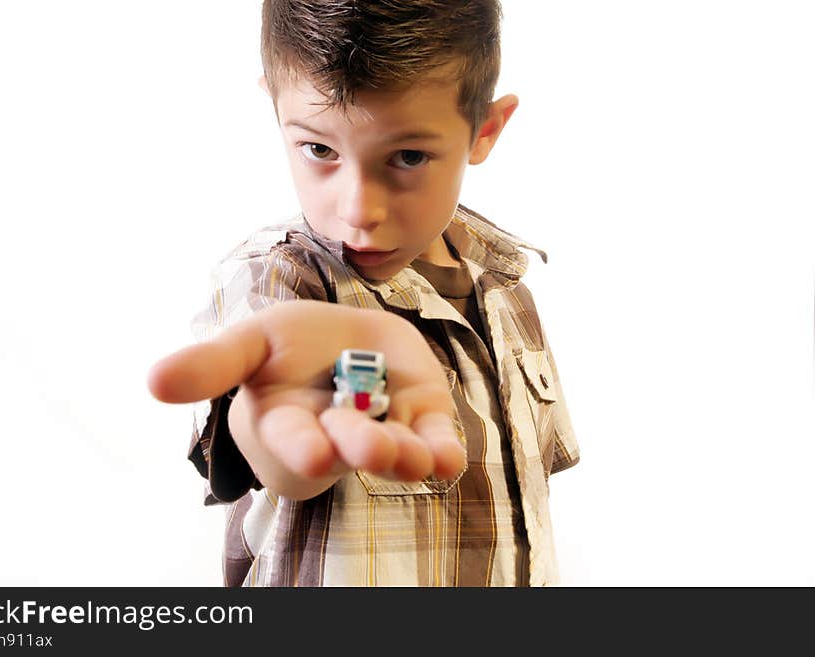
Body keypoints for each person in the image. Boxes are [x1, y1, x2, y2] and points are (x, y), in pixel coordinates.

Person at [148, 0, 580, 587]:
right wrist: (277, 417)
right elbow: (277, 454)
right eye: (319, 150)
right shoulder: (280, 283)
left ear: (485, 131)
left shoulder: (507, 288)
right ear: (277, 112)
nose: (358, 211)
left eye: (407, 157)